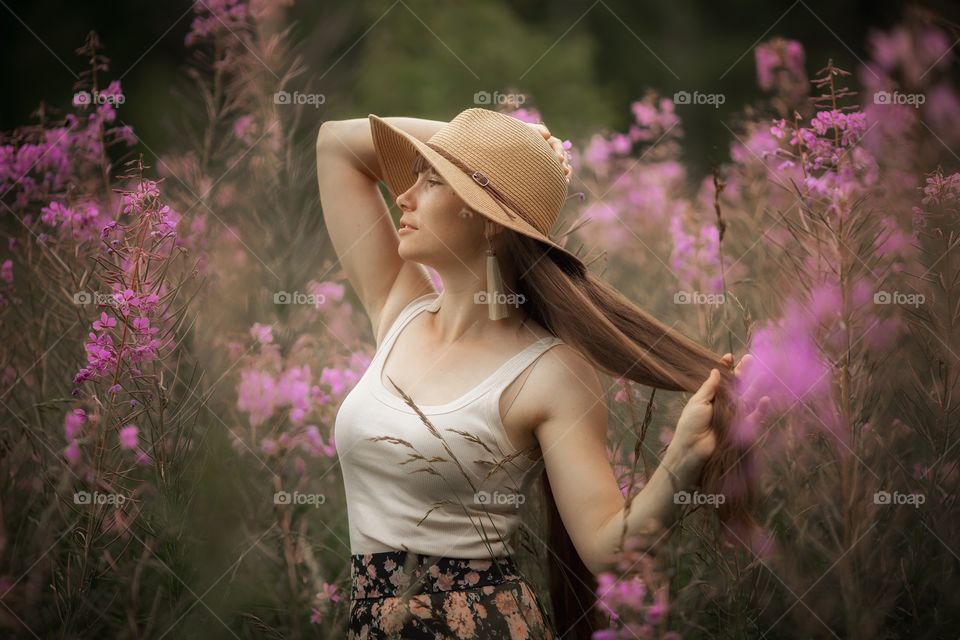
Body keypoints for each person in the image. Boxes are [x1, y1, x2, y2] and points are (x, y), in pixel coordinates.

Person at [315, 107, 760, 639]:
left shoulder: (549, 372)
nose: (403, 196)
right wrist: (500, 143)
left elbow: (609, 550)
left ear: (484, 220)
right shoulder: (399, 309)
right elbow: (335, 144)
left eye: (432, 182)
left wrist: (683, 460)